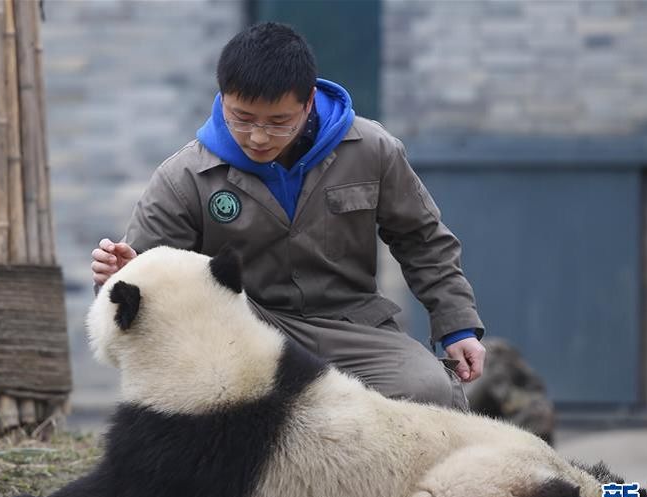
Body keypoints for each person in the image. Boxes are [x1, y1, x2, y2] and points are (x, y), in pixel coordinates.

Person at [91, 22, 485, 410]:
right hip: (242, 327)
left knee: (429, 391)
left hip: (351, 325)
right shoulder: (185, 177)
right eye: (242, 118)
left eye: (279, 122)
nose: (258, 137)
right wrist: (119, 277)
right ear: (223, 97)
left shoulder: (373, 150)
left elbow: (423, 239)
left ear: (308, 101)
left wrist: (457, 325)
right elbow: (145, 282)